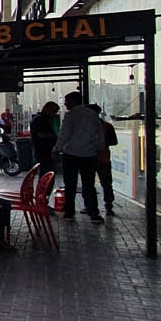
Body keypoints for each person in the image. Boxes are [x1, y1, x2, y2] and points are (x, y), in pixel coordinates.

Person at [56, 91, 104, 223]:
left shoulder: (71, 115)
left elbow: (64, 134)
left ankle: (69, 213)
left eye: (66, 101)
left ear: (72, 101)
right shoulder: (93, 115)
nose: (65, 104)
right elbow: (100, 134)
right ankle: (94, 213)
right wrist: (99, 148)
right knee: (89, 184)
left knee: (70, 184)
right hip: (89, 155)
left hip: (71, 154)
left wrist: (56, 149)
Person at [89, 104, 117, 216]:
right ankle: (108, 206)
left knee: (90, 184)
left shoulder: (88, 128)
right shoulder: (107, 126)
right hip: (104, 159)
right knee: (106, 184)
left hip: (90, 158)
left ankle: (91, 207)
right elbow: (114, 141)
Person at [30, 102, 60, 174]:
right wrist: (55, 138)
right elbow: (42, 134)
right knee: (46, 173)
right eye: (54, 111)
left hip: (44, 151)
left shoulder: (40, 119)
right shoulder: (40, 120)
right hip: (44, 151)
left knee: (47, 173)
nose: (54, 114)